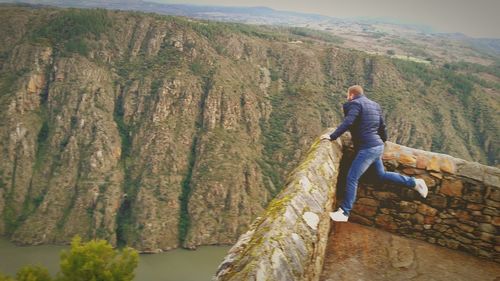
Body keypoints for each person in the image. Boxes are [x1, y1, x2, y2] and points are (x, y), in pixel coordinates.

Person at [321, 85, 428, 222]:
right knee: (380, 175)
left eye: (348, 96)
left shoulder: (354, 104)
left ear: (352, 95)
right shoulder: (374, 105)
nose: (347, 99)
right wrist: (382, 141)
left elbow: (348, 122)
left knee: (352, 178)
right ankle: (414, 182)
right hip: (377, 146)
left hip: (367, 148)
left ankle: (344, 212)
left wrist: (332, 136)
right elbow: (382, 126)